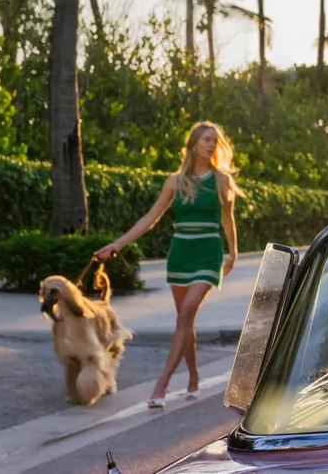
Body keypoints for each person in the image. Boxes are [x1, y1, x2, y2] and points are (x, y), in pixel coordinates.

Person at [95, 121, 241, 408]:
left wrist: (233, 253)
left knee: (186, 314)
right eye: (206, 139)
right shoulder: (175, 181)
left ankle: (162, 382)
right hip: (180, 254)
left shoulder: (222, 180)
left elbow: (227, 219)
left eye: (215, 140)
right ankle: (194, 376)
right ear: (194, 144)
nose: (211, 145)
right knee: (184, 321)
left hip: (208, 253)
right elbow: (149, 219)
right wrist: (117, 245)